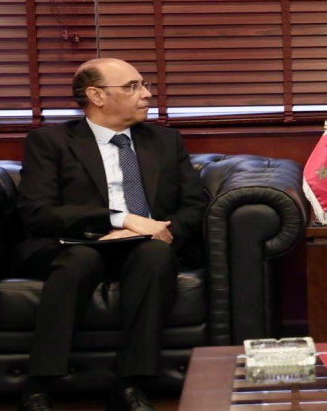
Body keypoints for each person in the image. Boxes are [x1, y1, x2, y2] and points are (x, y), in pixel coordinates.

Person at [15, 58, 207, 411]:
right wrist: (120, 221)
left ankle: (130, 385)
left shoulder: (165, 141)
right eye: (133, 86)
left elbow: (194, 204)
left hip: (147, 243)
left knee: (155, 256)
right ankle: (38, 386)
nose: (146, 94)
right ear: (96, 96)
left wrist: (162, 232)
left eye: (144, 84)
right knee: (79, 261)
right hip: (76, 243)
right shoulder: (50, 142)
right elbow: (38, 211)